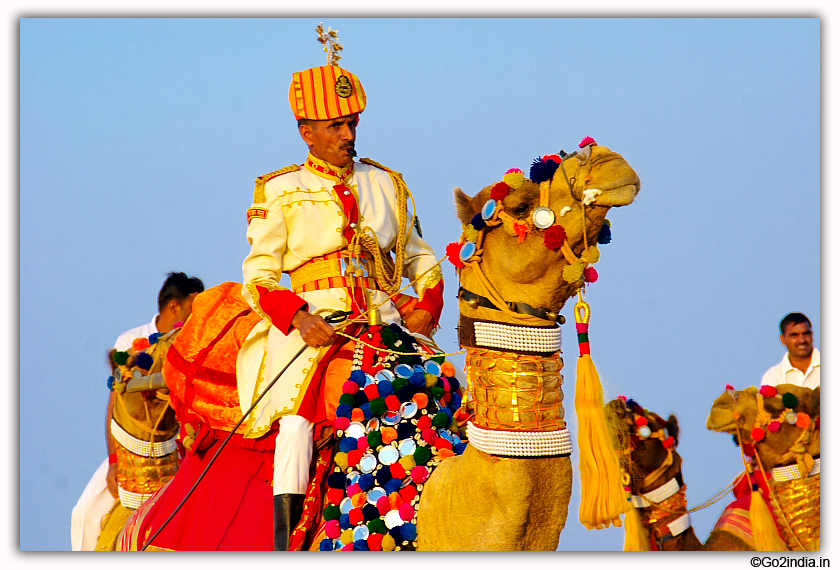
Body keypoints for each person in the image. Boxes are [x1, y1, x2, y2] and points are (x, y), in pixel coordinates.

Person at [236, 60, 444, 550]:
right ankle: (287, 544)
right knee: (295, 422)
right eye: (336, 126)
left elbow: (419, 257)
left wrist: (427, 307)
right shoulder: (279, 189)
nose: (348, 134)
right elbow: (258, 276)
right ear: (307, 133)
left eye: (351, 123)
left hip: (386, 319)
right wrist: (300, 318)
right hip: (312, 323)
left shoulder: (387, 183)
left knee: (447, 393)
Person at [70, 271, 204, 551]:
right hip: (135, 450)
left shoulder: (195, 341)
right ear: (174, 306)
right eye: (194, 305)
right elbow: (115, 403)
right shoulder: (132, 340)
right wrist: (115, 461)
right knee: (85, 514)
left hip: (186, 444)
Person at [760, 312, 820, 389]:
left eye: (806, 334)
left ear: (812, 335)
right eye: (794, 335)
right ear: (783, 339)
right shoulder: (773, 377)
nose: (802, 340)